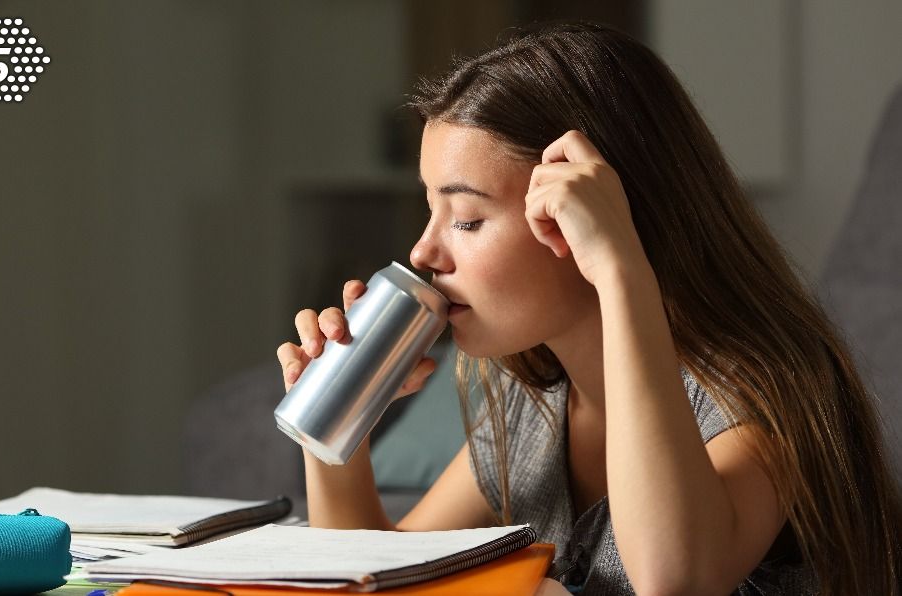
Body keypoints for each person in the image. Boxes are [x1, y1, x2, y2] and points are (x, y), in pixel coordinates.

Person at [275, 21, 902, 595]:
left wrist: (622, 271)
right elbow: (374, 577)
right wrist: (335, 423)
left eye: (466, 219)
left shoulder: (762, 396)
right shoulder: (532, 407)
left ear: (591, 217)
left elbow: (675, 578)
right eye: (431, 210)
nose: (422, 250)